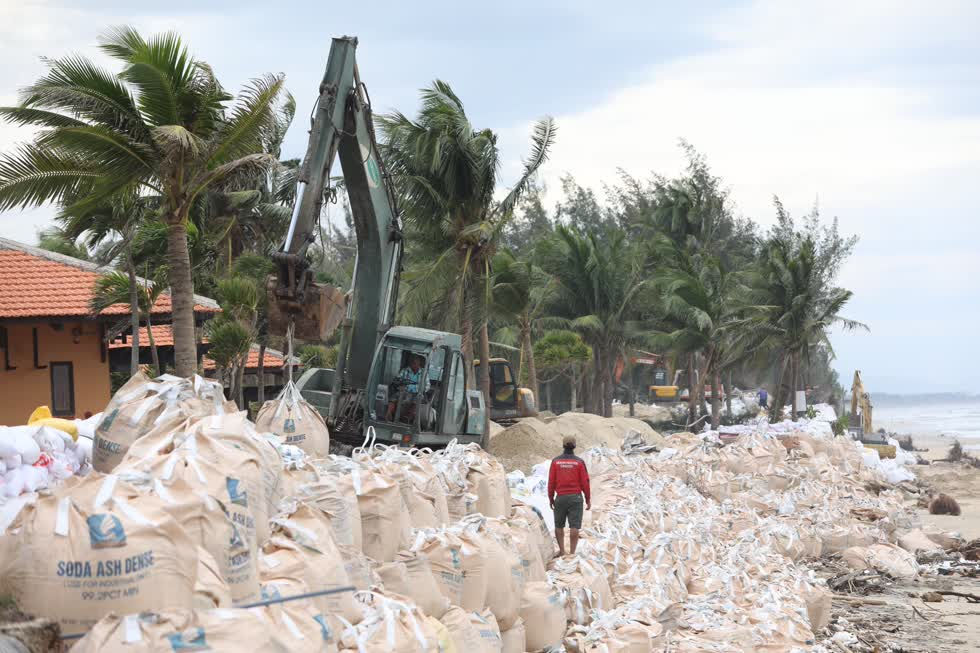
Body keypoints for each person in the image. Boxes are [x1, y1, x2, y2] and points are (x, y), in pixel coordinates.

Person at [547, 434, 591, 556]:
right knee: (574, 526)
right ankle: (572, 553)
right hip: (576, 498)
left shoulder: (555, 462)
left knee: (559, 525)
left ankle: (562, 551)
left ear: (563, 445)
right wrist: (588, 499)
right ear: (575, 446)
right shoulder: (579, 462)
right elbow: (585, 482)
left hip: (560, 498)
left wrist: (551, 498)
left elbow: (551, 481)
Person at [386, 354, 423, 422]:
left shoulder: (424, 373)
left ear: (419, 363)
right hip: (404, 391)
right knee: (394, 396)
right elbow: (397, 379)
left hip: (417, 393)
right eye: (412, 363)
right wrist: (399, 384)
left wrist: (415, 388)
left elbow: (427, 386)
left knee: (417, 399)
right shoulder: (405, 370)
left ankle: (408, 418)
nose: (413, 365)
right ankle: (389, 413)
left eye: (415, 363)